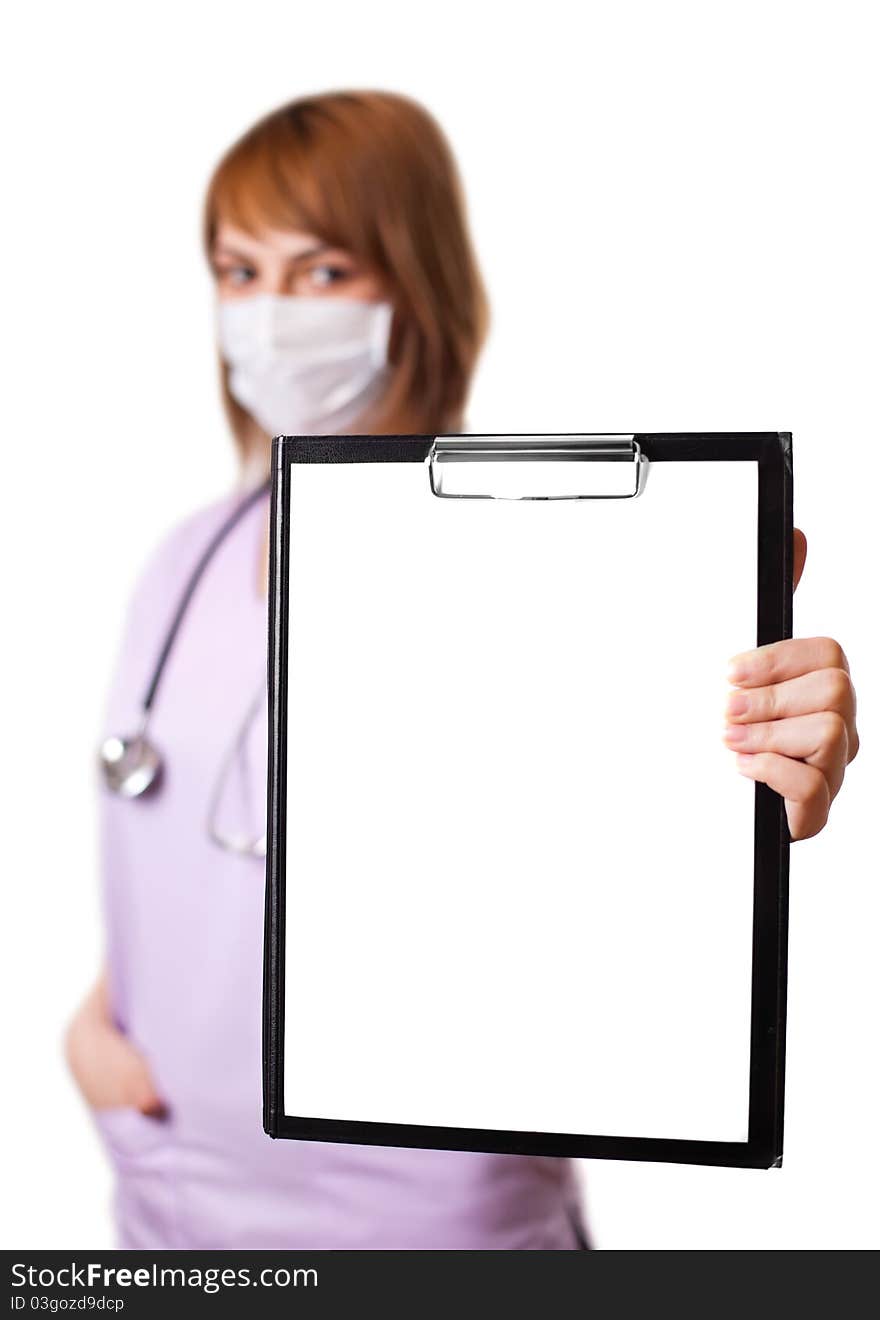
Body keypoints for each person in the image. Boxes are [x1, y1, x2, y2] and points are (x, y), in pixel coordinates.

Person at [65, 89, 860, 1250]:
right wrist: (95, 1036)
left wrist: (764, 776)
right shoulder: (186, 560)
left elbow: (639, 861)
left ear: (416, 284)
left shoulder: (558, 560)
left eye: (324, 272)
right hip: (174, 1209)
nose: (270, 315)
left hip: (439, 1225)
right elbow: (172, 872)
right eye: (239, 272)